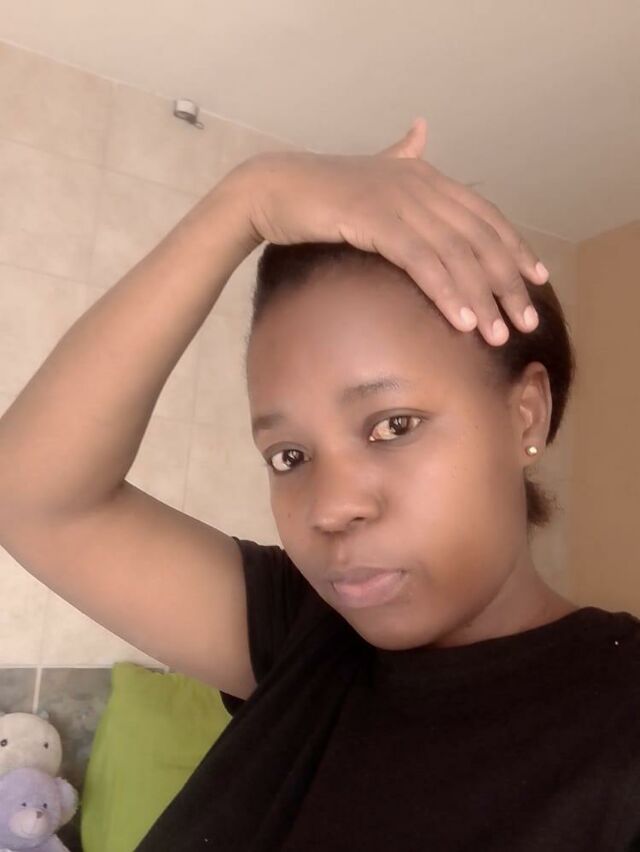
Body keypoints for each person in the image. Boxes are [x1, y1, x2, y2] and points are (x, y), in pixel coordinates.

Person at [1, 119, 639, 851]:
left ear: (525, 413)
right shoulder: (302, 637)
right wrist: (246, 200)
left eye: (393, 425)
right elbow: (32, 495)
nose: (330, 509)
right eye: (289, 456)